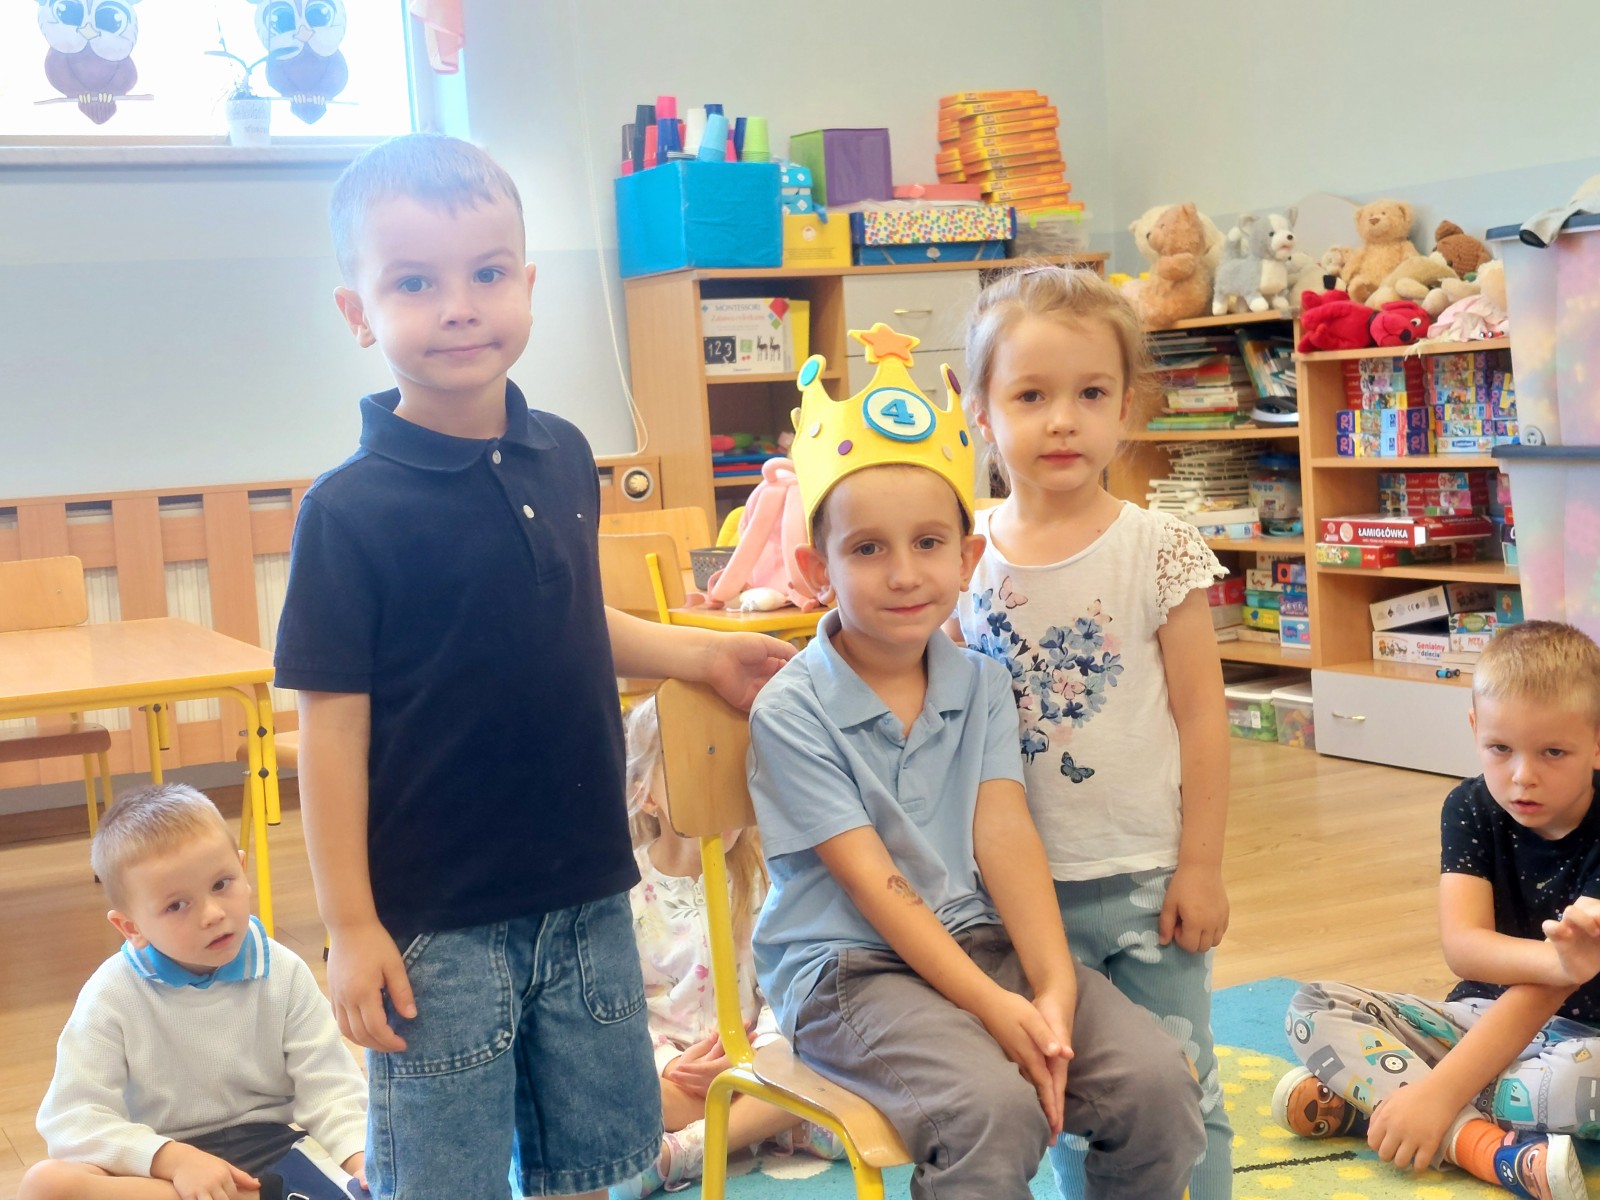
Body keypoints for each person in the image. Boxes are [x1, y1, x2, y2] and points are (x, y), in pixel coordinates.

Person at [272, 132, 794, 1200]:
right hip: (436, 922)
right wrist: (351, 926)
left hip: (588, 890)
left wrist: (702, 652)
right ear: (359, 313)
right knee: (446, 1178)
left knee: (595, 1164)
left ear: (528, 284)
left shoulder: (561, 453)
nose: (459, 306)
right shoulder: (347, 511)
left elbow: (565, 618)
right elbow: (329, 733)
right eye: (415, 283)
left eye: (487, 272)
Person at [747, 323, 1204, 1200]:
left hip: (978, 941)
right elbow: (875, 887)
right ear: (817, 568)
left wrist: (1053, 986)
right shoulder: (792, 709)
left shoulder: (983, 683)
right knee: (990, 1110)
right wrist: (999, 1008)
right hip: (847, 973)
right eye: (867, 549)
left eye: (928, 544)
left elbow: (1005, 835)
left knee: (1155, 1085)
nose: (903, 574)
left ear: (966, 559)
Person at [950, 266, 1232, 1198]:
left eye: (1091, 394)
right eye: (1030, 396)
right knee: (1073, 1091)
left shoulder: (1158, 548)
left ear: (1127, 409)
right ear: (981, 414)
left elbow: (1203, 719)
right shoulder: (961, 557)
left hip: (1149, 877)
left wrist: (1201, 866)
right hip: (1020, 897)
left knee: (1188, 1085)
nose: (1062, 421)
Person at [1275, 620, 1600, 1200]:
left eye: (1553, 752)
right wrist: (1562, 963)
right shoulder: (1470, 806)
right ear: (1474, 729)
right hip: (1471, 1021)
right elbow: (1465, 948)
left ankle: (1382, 1105)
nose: (1522, 775)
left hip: (1580, 1042)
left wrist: (1440, 1090)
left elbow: (1549, 991)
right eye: (1500, 748)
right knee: (1313, 1005)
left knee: (1585, 1082)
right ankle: (1479, 1145)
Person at [21, 783, 367, 1200]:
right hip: (161, 1172)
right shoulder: (111, 993)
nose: (213, 914)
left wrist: (361, 1160)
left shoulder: (285, 972)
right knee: (47, 1184)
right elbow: (72, 1120)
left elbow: (332, 1089)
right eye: (176, 905)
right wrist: (174, 1159)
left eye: (221, 884)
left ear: (242, 870)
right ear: (131, 928)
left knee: (380, 1177)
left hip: (274, 1161)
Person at [610, 696, 846, 1198]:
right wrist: (667, 1064)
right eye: (700, 773)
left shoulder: (766, 877)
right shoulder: (625, 888)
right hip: (672, 1076)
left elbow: (787, 985)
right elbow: (618, 1008)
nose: (721, 795)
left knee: (826, 1060)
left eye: (737, 776)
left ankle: (684, 1152)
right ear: (645, 794)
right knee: (607, 1092)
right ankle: (767, 1126)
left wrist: (760, 1056)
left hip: (758, 1063)